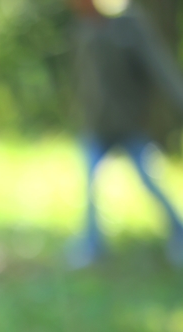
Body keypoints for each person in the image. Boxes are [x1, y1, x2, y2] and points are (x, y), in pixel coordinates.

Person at [68, 0, 183, 267]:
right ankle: (92, 245)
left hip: (129, 124)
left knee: (150, 180)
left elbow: (160, 67)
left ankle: (179, 232)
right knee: (90, 185)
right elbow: (82, 80)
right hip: (95, 126)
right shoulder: (82, 29)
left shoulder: (128, 27)